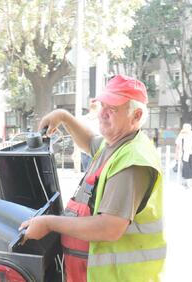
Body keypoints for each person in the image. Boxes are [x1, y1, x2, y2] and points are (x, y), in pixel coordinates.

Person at [19, 74, 166, 282]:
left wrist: (49, 223)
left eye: (112, 109)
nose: (102, 114)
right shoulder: (114, 143)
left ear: (136, 115)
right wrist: (63, 116)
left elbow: (110, 227)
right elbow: (88, 141)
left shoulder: (133, 162)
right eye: (102, 106)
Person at [175, 123, 192, 189]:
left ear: (190, 128)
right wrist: (180, 134)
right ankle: (187, 184)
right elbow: (177, 142)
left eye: (187, 128)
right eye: (185, 128)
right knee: (186, 169)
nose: (186, 129)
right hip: (185, 155)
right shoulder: (182, 135)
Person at [80, 100, 100, 172]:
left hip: (95, 152)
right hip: (84, 152)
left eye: (95, 101)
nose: (93, 103)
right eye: (92, 101)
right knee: (87, 173)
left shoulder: (101, 119)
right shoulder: (83, 119)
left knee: (90, 175)